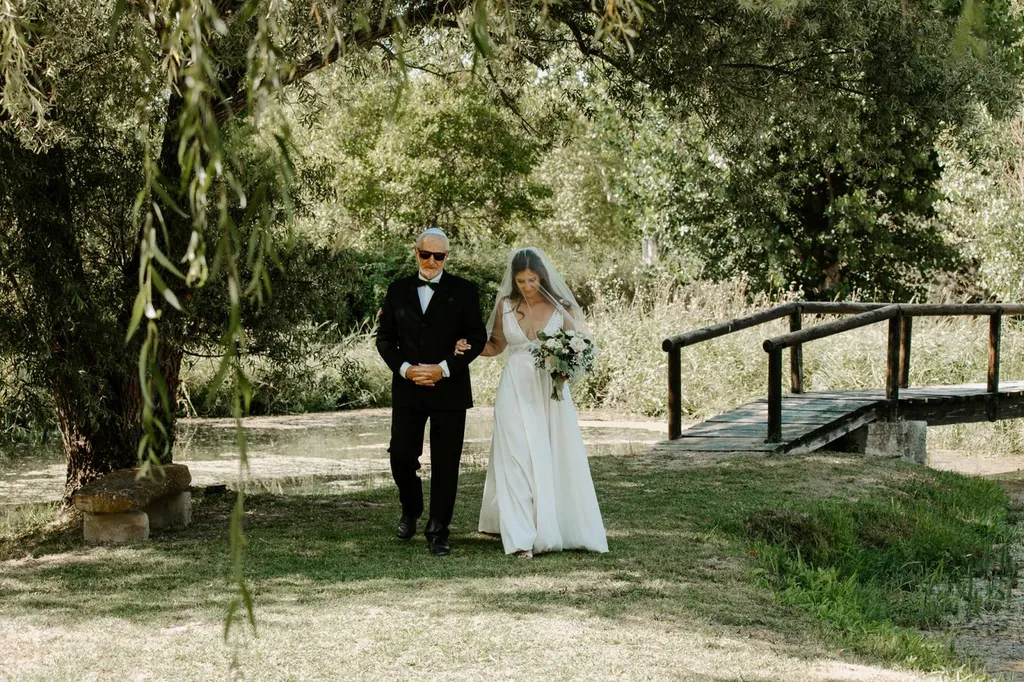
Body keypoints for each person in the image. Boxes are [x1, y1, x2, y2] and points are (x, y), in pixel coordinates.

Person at [455, 247, 608, 559]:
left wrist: (565, 371)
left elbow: (578, 351)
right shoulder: (505, 306)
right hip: (513, 388)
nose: (526, 286)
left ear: (542, 277)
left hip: (548, 391)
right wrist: (467, 346)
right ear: (514, 280)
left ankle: (553, 526)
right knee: (515, 457)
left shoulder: (561, 308)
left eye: (532, 280)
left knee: (548, 455)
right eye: (521, 280)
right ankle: (521, 538)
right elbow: (496, 345)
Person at [375, 228, 487, 556]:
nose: (432, 261)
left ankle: (438, 531)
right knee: (400, 456)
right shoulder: (397, 291)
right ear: (416, 253)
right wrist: (408, 369)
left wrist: (445, 367)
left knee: (446, 463)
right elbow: (384, 340)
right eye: (427, 254)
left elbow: (476, 338)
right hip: (408, 388)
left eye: (439, 256)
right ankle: (410, 508)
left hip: (449, 389)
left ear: (446, 258)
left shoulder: (465, 291)